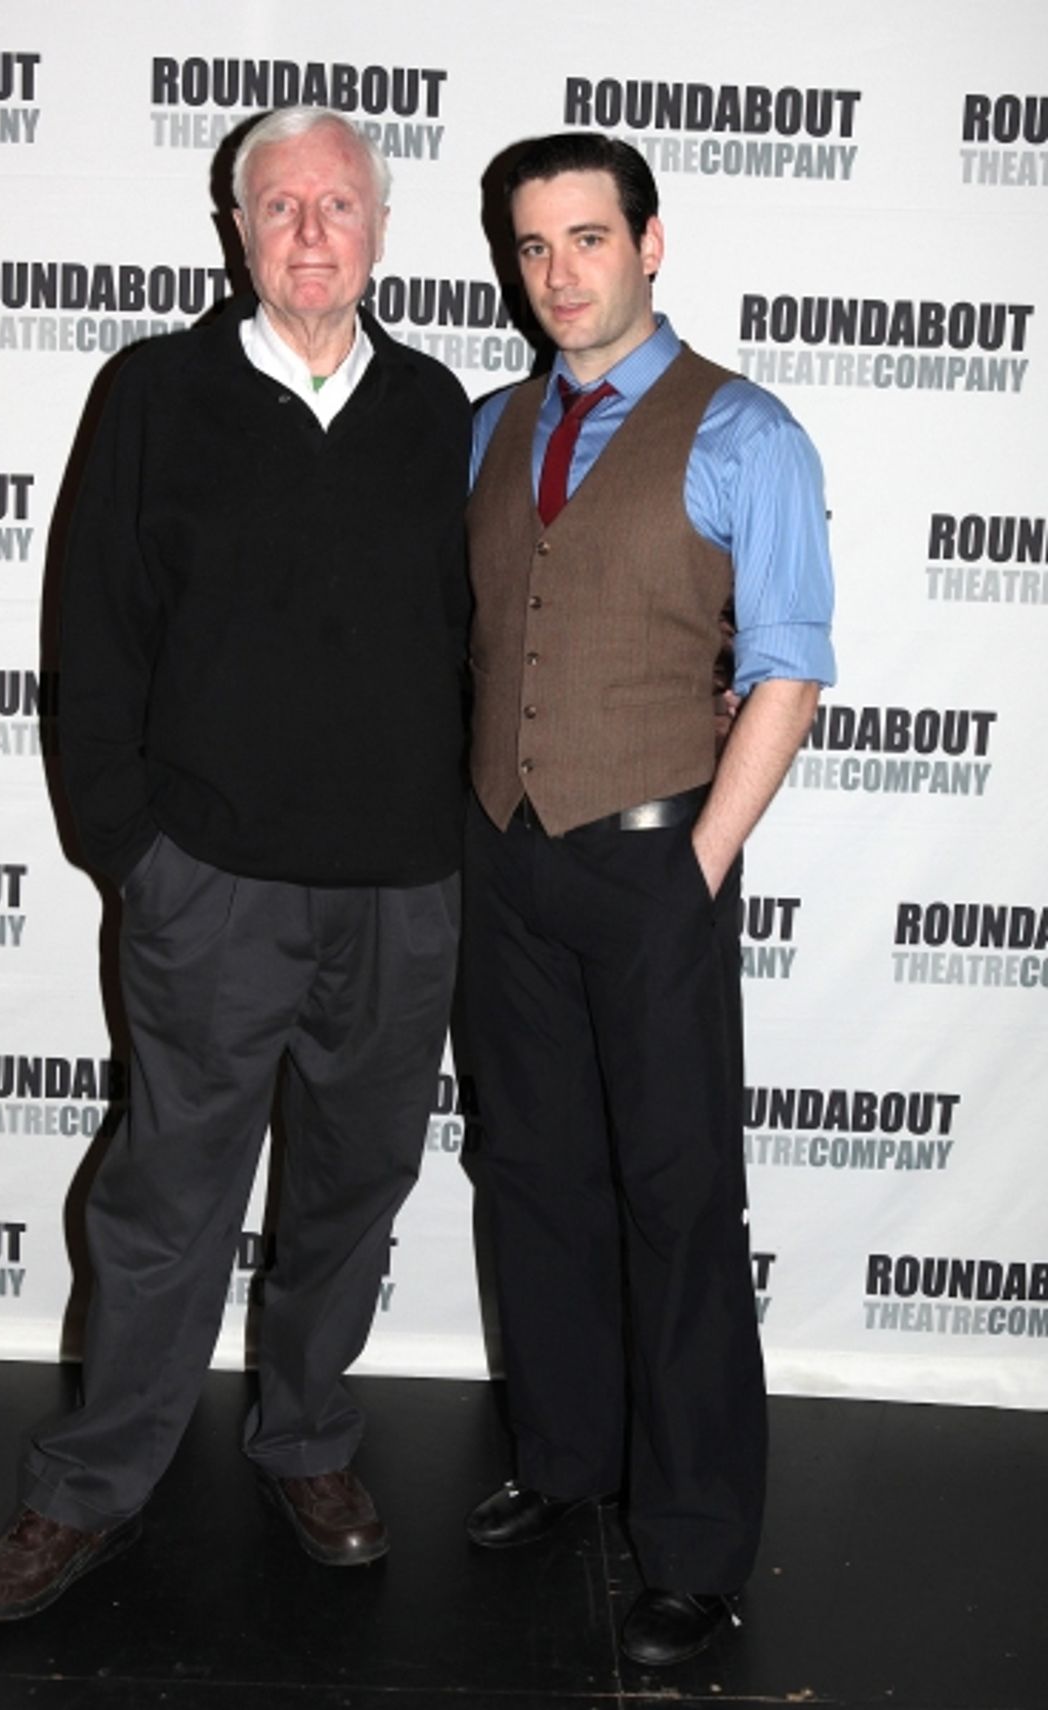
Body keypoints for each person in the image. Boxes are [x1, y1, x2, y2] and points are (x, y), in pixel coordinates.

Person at [0, 107, 471, 1620]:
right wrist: (135, 850)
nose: (312, 231)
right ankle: (88, 1487)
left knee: (353, 1190)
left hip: (404, 888)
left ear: (380, 231)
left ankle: (305, 1436)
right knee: (170, 1199)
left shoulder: (447, 412)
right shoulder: (155, 394)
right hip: (213, 889)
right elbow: (91, 636)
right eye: (281, 206)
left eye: (339, 206)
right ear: (235, 230)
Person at [461, 133, 835, 1668]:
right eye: (534, 245)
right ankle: (563, 1464)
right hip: (504, 856)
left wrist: (693, 865)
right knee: (533, 1176)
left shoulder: (746, 430)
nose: (559, 272)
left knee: (679, 1207)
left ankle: (691, 1546)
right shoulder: (485, 428)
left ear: (651, 243)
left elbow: (789, 667)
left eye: (587, 239)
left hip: (653, 856)